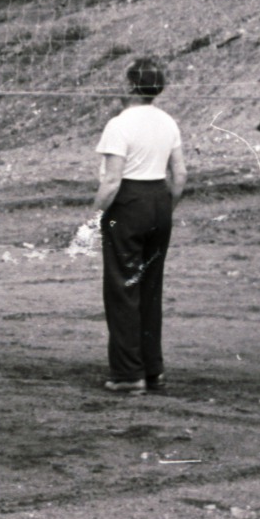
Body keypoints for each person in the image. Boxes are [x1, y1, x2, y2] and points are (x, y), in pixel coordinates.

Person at [93, 57, 186, 395]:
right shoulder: (168, 121)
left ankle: (128, 373)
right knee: (150, 288)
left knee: (122, 288)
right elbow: (181, 176)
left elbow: (112, 180)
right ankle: (153, 369)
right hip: (159, 202)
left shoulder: (119, 124)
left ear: (131, 85)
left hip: (128, 202)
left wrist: (93, 217)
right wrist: (163, 207)